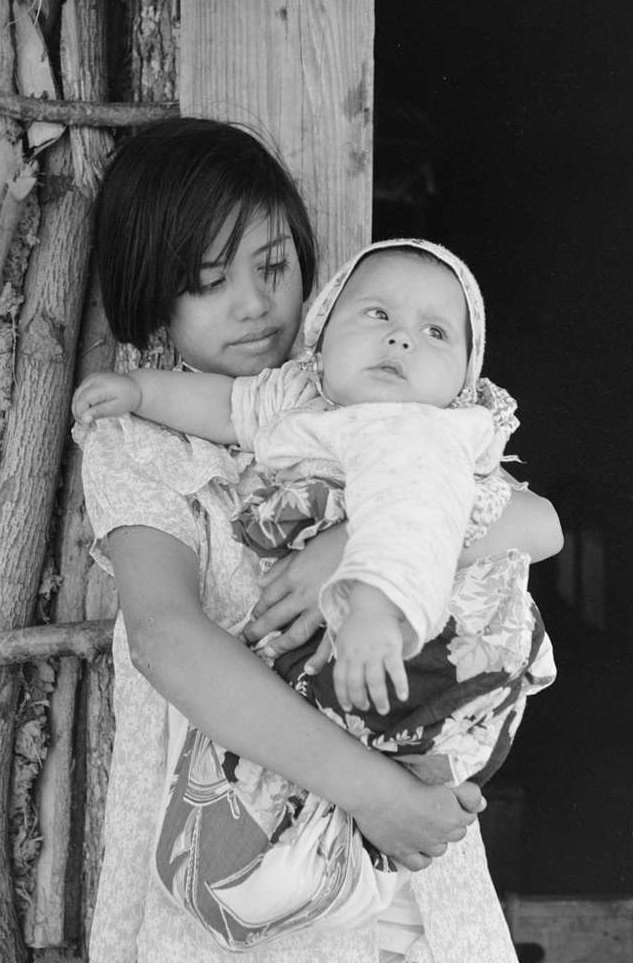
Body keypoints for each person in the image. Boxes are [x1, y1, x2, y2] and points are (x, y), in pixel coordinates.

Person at [73, 117, 562, 963]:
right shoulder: (141, 440)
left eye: (271, 267)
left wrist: (348, 549)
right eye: (207, 280)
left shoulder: (360, 394)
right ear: (152, 294)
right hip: (244, 836)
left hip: (403, 844)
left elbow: (536, 521)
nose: (254, 304)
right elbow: (165, 639)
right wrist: (370, 791)